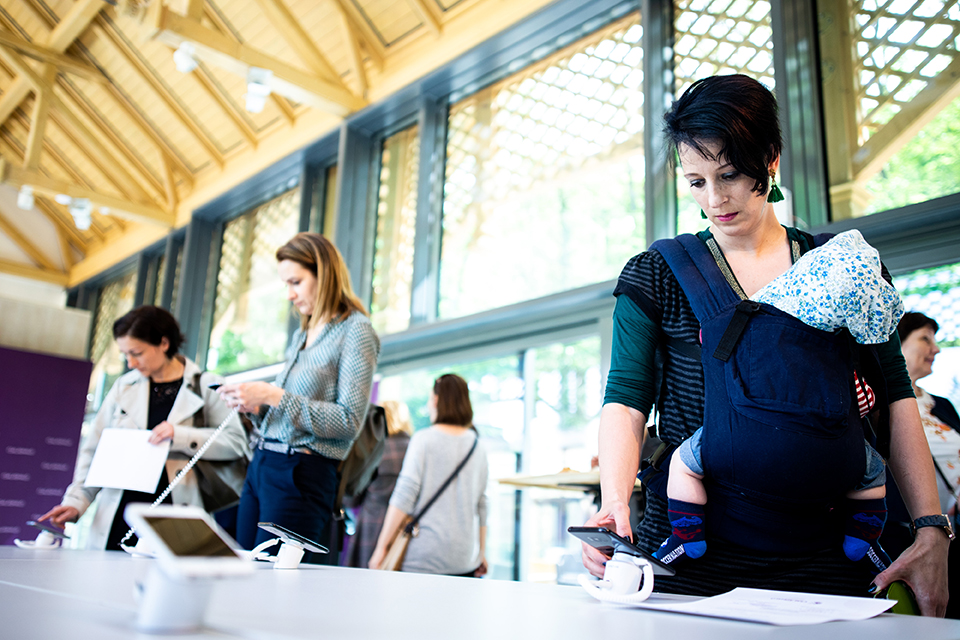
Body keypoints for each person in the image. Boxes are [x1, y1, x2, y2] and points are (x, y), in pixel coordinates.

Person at [580, 74, 949, 616]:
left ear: (769, 159)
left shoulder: (843, 268)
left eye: (729, 174)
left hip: (830, 558)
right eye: (697, 181)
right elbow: (626, 396)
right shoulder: (658, 273)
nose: (715, 199)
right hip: (691, 554)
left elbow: (896, 397)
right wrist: (614, 503)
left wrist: (931, 528)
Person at [655, 229, 902, 574]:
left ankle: (686, 536)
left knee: (683, 465)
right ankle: (862, 536)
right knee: (873, 473)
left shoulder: (755, 312)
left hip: (738, 446)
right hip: (832, 457)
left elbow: (706, 343)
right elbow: (867, 400)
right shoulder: (834, 341)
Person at [217, 232, 379, 560]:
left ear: (325, 274)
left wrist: (275, 396)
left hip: (301, 472)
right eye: (286, 285)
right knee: (246, 570)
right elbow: (285, 412)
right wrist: (255, 406)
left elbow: (349, 421)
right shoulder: (302, 334)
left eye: (296, 282)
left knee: (277, 586)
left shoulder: (356, 330)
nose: (289, 295)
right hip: (263, 463)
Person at [39, 305, 250, 550]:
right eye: (125, 354)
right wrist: (77, 500)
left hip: (175, 509)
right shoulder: (122, 387)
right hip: (120, 512)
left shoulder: (209, 385)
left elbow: (236, 442)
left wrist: (180, 436)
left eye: (137, 352)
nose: (130, 362)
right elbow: (94, 450)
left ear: (163, 343)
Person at [368, 374, 489, 576]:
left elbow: (405, 494)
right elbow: (482, 504)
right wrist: (482, 552)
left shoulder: (423, 440)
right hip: (465, 557)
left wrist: (382, 546)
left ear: (436, 400)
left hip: (423, 555)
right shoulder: (478, 446)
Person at [894, 312, 960, 617]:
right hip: (914, 530)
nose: (935, 349)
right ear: (897, 342)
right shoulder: (878, 404)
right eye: (924, 338)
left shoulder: (942, 404)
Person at [348, 400, 414, 569]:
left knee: (366, 585)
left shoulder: (373, 450)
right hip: (406, 529)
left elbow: (352, 497)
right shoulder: (415, 449)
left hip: (372, 526)